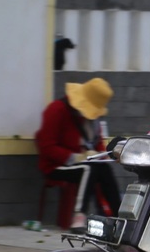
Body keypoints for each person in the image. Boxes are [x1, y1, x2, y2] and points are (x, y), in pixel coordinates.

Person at [36, 77, 121, 231]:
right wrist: (76, 157)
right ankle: (79, 216)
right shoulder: (56, 110)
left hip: (85, 162)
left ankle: (118, 215)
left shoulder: (93, 120)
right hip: (56, 165)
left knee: (104, 169)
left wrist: (103, 155)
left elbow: (97, 142)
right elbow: (47, 147)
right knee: (88, 169)